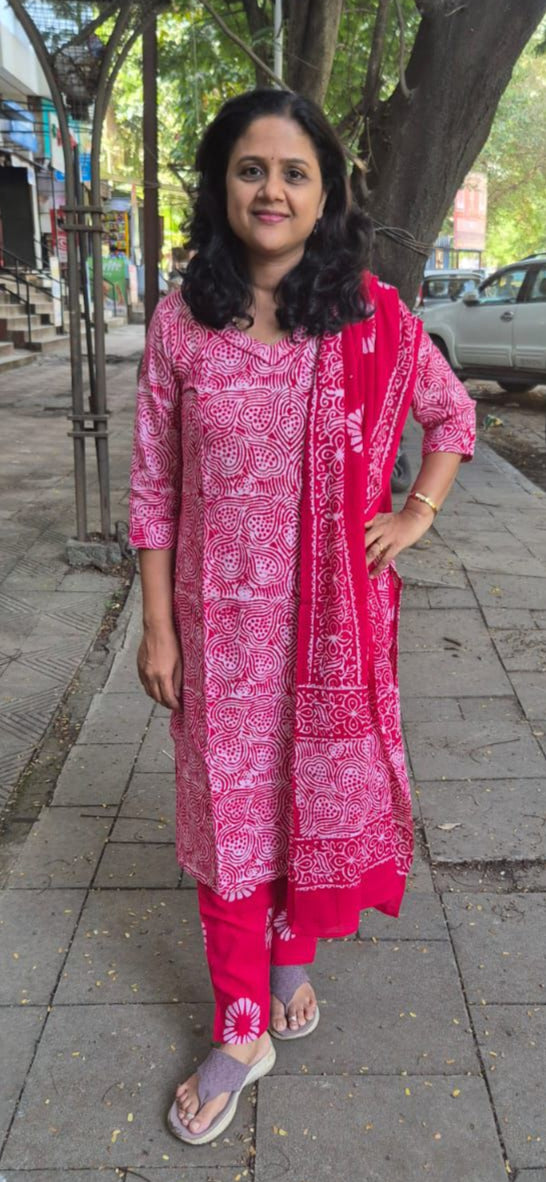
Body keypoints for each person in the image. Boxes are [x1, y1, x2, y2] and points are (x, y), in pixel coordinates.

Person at [129, 87, 476, 1147]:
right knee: (230, 832)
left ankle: (287, 966)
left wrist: (414, 515)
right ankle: (242, 1030)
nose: (271, 190)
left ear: (327, 195)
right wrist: (158, 628)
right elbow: (153, 487)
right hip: (220, 641)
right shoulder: (181, 322)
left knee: (303, 810)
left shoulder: (371, 320)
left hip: (330, 636)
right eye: (251, 169)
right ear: (221, 186)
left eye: (294, 172)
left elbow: (452, 417)